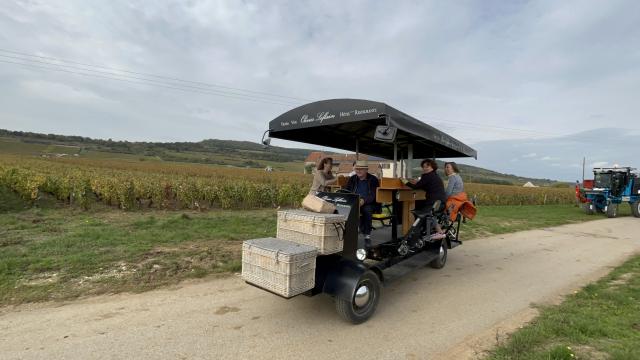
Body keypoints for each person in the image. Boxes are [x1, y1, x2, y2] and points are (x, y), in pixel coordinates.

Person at [405, 159, 447, 238]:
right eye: (423, 166)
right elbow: (426, 186)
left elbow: (416, 187)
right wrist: (417, 182)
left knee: (421, 215)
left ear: (432, 167)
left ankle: (415, 236)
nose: (425, 168)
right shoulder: (435, 175)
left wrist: (404, 181)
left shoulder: (427, 176)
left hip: (434, 202)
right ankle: (440, 232)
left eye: (427, 166)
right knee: (431, 215)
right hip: (440, 202)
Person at [345, 160, 380, 241]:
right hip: (355, 201)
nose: (358, 171)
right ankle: (348, 232)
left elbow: (373, 195)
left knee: (366, 209)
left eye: (361, 169)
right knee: (343, 208)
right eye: (357, 169)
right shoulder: (352, 179)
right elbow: (347, 191)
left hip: (370, 203)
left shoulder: (373, 179)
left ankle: (367, 233)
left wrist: (363, 201)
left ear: (366, 170)